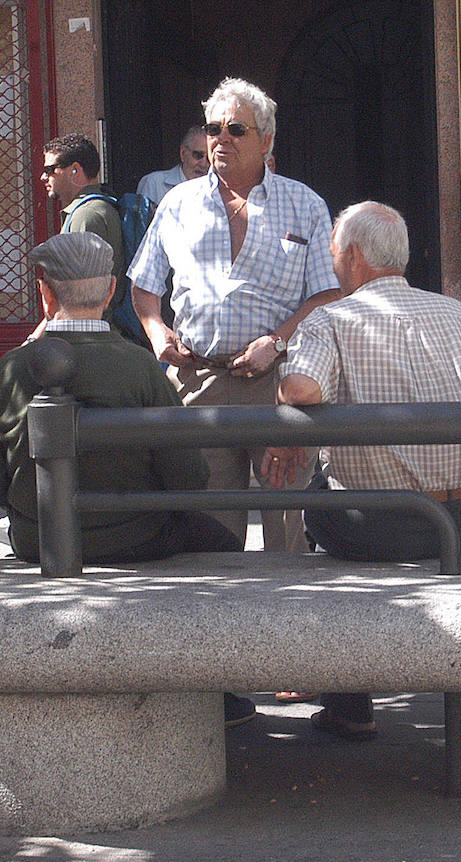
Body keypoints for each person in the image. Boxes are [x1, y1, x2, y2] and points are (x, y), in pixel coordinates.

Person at [0, 232, 256, 727]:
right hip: (138, 537)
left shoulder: (13, 368)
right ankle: (219, 691)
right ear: (110, 293)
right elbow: (189, 477)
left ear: (46, 293)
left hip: (39, 541)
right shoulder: (141, 368)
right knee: (222, 544)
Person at [267, 201, 461, 742]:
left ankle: (351, 701)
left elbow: (305, 390)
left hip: (370, 526)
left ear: (353, 256)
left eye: (334, 254)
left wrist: (282, 389)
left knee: (317, 495)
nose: (334, 265)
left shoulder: (330, 320)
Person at [127, 77, 341, 551]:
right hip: (200, 380)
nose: (221, 139)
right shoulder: (177, 203)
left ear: (266, 141)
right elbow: (144, 286)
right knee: (208, 528)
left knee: (285, 528)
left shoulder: (304, 204)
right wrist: (157, 331)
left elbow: (327, 296)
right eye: (213, 129)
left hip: (279, 383)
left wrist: (277, 341)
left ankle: (291, 620)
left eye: (236, 130)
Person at [36, 133, 137, 342]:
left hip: (91, 339)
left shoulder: (87, 215)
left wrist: (35, 339)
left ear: (75, 170)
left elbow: (77, 294)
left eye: (50, 170)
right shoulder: (89, 210)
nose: (43, 177)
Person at [136, 126, 210, 204]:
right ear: (183, 153)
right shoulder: (154, 183)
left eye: (209, 158)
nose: (204, 164)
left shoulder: (217, 190)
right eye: (198, 155)